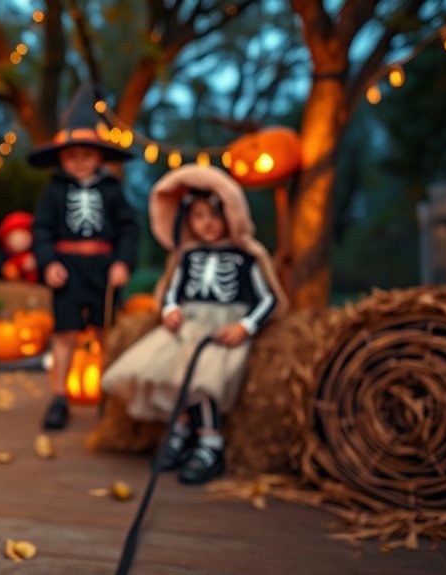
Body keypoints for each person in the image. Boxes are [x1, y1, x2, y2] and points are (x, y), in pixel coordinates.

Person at [101, 165, 288, 484]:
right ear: (187, 220)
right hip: (187, 327)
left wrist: (245, 326)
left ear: (232, 216)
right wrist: (170, 309)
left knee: (204, 379)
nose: (208, 224)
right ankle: (180, 432)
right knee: (169, 374)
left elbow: (267, 299)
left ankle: (209, 444)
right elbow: (172, 291)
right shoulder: (186, 257)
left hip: (221, 330)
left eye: (215, 216)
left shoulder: (245, 258)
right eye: (199, 217)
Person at [29, 84, 138, 430]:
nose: (79, 161)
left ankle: (109, 395)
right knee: (65, 335)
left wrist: (123, 262)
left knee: (106, 333)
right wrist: (49, 263)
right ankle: (59, 397)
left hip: (104, 270)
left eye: (87, 155)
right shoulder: (54, 191)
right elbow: (42, 230)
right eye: (72, 155)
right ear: (61, 156)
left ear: (100, 156)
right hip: (68, 269)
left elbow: (129, 229)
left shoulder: (111, 190)